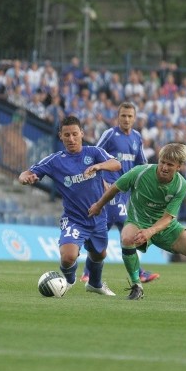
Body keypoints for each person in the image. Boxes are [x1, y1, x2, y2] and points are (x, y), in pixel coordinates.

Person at [88, 142, 186, 303]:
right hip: (138, 222)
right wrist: (98, 205)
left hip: (166, 227)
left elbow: (168, 217)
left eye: (170, 165)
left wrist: (150, 232)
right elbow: (115, 188)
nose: (164, 167)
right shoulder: (140, 172)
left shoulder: (181, 185)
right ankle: (137, 286)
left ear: (179, 167)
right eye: (162, 162)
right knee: (127, 238)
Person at [18, 115, 122, 296]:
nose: (71, 139)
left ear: (82, 133)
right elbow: (27, 172)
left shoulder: (94, 152)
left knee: (100, 254)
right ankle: (68, 280)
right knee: (68, 257)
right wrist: (26, 178)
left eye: (75, 134)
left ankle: (95, 284)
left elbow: (116, 163)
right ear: (60, 136)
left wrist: (99, 167)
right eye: (67, 135)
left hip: (98, 216)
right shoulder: (54, 160)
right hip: (74, 218)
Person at [81, 102, 159, 284]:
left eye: (130, 116)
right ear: (118, 117)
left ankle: (87, 272)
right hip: (109, 191)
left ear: (134, 118)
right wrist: (101, 181)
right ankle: (138, 272)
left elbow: (142, 163)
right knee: (123, 229)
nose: (126, 119)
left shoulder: (137, 137)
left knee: (105, 230)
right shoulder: (110, 135)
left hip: (125, 193)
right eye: (123, 115)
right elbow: (94, 155)